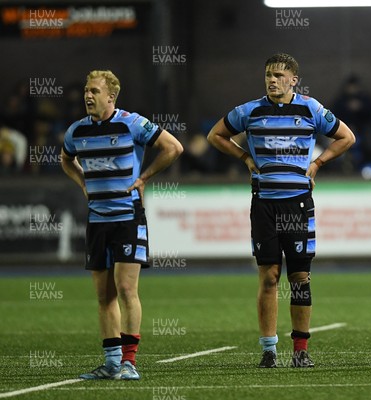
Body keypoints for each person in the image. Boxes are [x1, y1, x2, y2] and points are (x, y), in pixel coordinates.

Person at [207, 53, 355, 368]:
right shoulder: (250, 110)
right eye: (268, 76)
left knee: (300, 277)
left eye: (278, 75)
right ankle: (269, 350)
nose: (272, 80)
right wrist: (245, 158)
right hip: (264, 203)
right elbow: (215, 135)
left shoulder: (311, 108)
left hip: (298, 203)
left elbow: (347, 137)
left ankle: (300, 350)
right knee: (269, 276)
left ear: (293, 80)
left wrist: (317, 163)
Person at [61, 70, 183, 379]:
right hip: (97, 221)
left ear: (111, 97)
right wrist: (82, 184)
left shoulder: (132, 123)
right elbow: (65, 158)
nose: (88, 96)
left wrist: (144, 178)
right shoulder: (76, 131)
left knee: (127, 288)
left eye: (94, 91)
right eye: (86, 91)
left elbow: (173, 147)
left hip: (128, 218)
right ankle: (112, 363)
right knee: (104, 296)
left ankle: (130, 362)